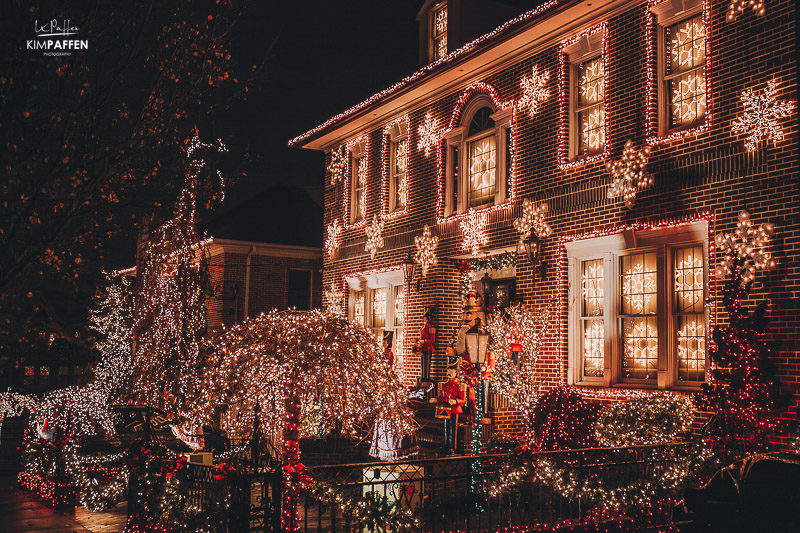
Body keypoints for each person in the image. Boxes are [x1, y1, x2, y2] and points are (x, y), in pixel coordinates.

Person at [429, 350, 466, 454]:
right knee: (446, 428)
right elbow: (441, 397)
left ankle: (452, 447)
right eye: (448, 370)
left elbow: (463, 399)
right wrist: (436, 400)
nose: (449, 372)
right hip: (445, 408)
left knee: (453, 428)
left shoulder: (460, 385)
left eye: (452, 371)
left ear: (456, 373)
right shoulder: (444, 384)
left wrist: (455, 401)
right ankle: (446, 445)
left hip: (454, 409)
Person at [415, 306, 436, 382]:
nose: (424, 320)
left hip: (428, 348)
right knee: (423, 362)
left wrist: (424, 341)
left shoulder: (431, 328)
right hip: (423, 348)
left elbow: (432, 340)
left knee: (427, 362)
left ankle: (426, 377)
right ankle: (423, 376)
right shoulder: (423, 328)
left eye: (425, 318)